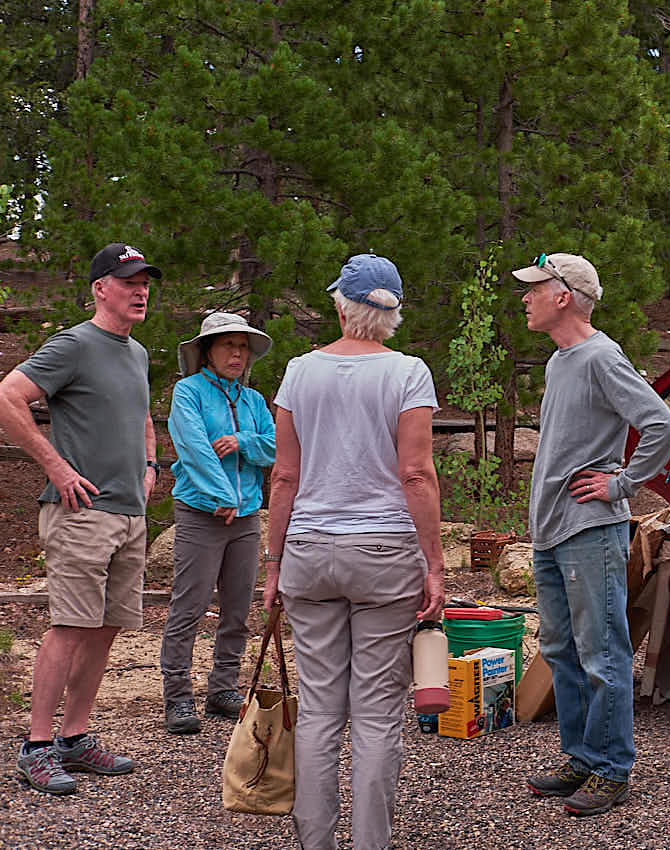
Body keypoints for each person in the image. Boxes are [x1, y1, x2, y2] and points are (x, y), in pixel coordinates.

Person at [263, 254, 445, 850]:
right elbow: (416, 473)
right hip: (385, 551)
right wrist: (435, 563)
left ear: (339, 305)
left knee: (318, 711)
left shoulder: (297, 372)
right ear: (391, 313)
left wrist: (273, 561)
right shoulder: (409, 373)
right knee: (374, 712)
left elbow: (284, 478)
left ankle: (315, 842)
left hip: (310, 550)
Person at [514, 252, 670, 816]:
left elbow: (662, 424)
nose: (525, 297)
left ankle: (612, 770)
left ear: (564, 296)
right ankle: (581, 758)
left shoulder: (600, 356)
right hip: (552, 533)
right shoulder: (560, 362)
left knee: (601, 652)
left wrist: (622, 485)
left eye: (534, 288)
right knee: (561, 648)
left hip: (590, 531)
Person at [0, 243, 161, 795]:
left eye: (145, 282)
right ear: (101, 288)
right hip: (80, 512)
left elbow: (140, 414)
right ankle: (36, 746)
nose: (141, 290)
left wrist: (149, 463)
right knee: (70, 627)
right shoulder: (73, 344)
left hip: (129, 513)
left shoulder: (135, 353)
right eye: (129, 282)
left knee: (107, 627)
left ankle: (75, 737)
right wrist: (57, 467)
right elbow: (8, 397)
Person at [160, 312, 275, 734]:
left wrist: (243, 442)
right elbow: (193, 449)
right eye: (229, 345)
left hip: (244, 518)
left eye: (243, 347)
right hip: (200, 514)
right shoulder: (188, 393)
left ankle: (223, 687)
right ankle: (178, 697)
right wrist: (221, 496)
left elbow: (274, 447)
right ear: (208, 350)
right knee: (189, 606)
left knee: (238, 607)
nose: (237, 353)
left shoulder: (253, 401)